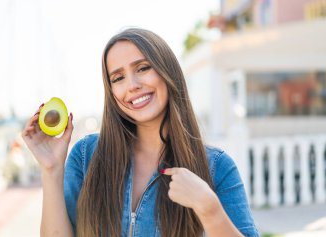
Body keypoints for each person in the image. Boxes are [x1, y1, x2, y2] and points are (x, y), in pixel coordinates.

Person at [22, 28, 259, 237]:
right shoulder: (86, 156)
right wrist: (52, 170)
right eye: (118, 78)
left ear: (167, 72)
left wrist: (209, 209)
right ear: (112, 92)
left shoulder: (217, 168)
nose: (132, 85)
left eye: (143, 68)